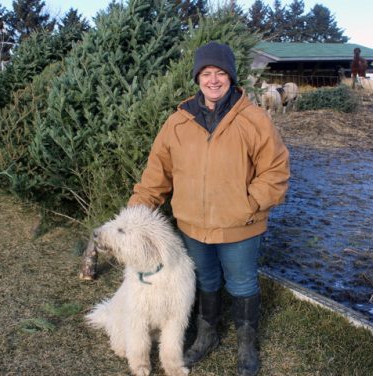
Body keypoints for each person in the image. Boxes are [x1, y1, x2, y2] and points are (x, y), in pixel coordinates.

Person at [128, 41, 290, 376]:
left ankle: (247, 343)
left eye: (220, 73)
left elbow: (276, 169)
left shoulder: (254, 119)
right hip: (193, 227)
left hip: (240, 225)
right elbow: (156, 174)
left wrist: (251, 203)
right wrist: (133, 218)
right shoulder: (178, 122)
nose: (213, 80)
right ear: (197, 78)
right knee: (206, 279)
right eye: (206, 73)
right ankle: (207, 334)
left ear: (230, 76)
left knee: (242, 283)